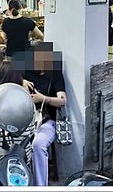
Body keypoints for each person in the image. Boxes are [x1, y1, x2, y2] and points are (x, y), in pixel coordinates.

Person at [23, 43, 67, 186]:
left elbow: (62, 101)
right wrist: (22, 81)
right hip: (27, 119)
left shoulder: (55, 74)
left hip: (48, 121)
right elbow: (8, 75)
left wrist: (43, 99)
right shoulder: (27, 71)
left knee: (38, 144)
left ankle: (40, 185)